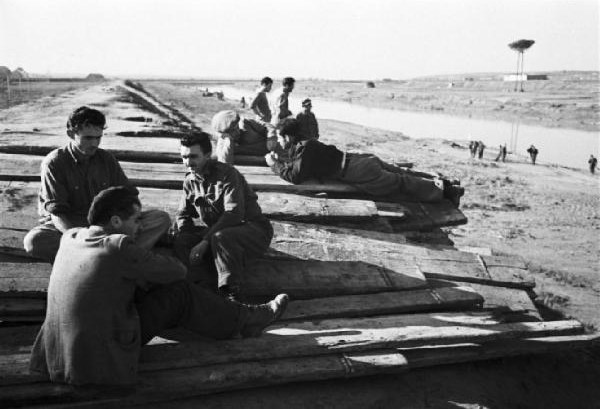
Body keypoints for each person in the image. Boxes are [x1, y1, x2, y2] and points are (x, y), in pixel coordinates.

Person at [29, 186, 288, 386]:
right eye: (136, 219)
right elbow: (177, 271)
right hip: (101, 354)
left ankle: (234, 320)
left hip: (56, 355)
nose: (139, 226)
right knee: (180, 292)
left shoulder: (71, 237)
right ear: (117, 221)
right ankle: (247, 319)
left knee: (149, 289)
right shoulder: (118, 245)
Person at [22, 106, 171, 263]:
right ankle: (120, 258)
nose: (94, 144)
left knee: (160, 218)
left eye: (98, 138)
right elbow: (57, 214)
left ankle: (110, 259)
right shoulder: (54, 163)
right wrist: (79, 239)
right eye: (88, 138)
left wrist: (131, 221)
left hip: (107, 226)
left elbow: (129, 195)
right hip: (71, 226)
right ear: (71, 134)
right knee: (35, 241)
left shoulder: (106, 159)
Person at [265, 119, 464, 207]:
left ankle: (446, 192)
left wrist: (273, 165)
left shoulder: (305, 148)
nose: (280, 142)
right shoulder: (305, 144)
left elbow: (295, 176)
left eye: (281, 138)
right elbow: (296, 165)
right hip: (359, 160)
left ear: (289, 136)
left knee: (400, 183)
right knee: (401, 174)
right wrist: (281, 161)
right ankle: (443, 182)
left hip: (356, 170)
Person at [174, 132, 274, 301]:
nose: (188, 163)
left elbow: (234, 214)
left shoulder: (227, 174)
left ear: (207, 155)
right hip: (219, 236)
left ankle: (231, 294)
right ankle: (202, 288)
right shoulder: (190, 181)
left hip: (253, 231)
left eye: (193, 156)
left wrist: (204, 241)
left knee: (220, 237)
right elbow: (183, 214)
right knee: (181, 240)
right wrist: (184, 233)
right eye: (184, 157)